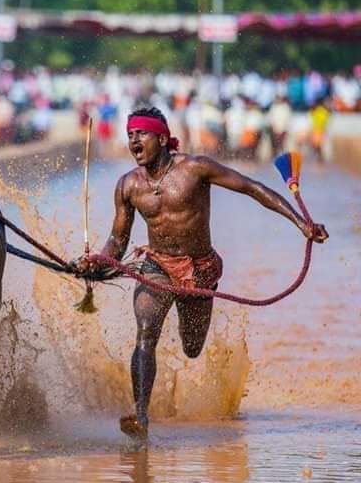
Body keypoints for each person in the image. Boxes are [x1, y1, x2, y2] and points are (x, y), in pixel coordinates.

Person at [76, 107, 328, 440]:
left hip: (199, 269)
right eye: (131, 134)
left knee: (192, 347)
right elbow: (117, 242)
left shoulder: (196, 168)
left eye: (141, 133)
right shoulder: (128, 186)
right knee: (146, 330)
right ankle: (140, 417)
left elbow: (252, 188)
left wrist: (301, 224)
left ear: (162, 138)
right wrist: (97, 261)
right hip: (158, 267)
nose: (134, 140)